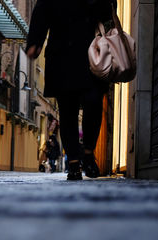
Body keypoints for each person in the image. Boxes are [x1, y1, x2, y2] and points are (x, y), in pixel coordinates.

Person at [26, 0, 116, 180]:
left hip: (92, 52)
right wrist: (35, 41)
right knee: (67, 110)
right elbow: (42, 10)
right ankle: (74, 163)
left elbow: (108, 8)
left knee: (94, 101)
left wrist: (110, 33)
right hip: (62, 53)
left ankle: (89, 153)